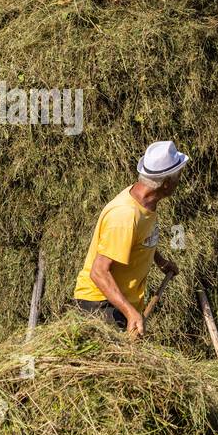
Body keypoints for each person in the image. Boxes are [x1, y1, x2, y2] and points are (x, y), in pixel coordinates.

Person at [72, 140, 186, 337]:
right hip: (101, 307)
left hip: (118, 303)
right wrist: (130, 312)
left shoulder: (146, 202)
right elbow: (98, 272)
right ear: (166, 183)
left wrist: (161, 261)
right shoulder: (125, 215)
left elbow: (139, 238)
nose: (180, 180)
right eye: (178, 176)